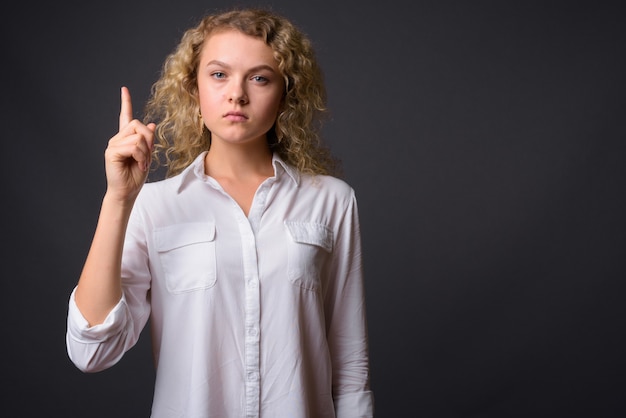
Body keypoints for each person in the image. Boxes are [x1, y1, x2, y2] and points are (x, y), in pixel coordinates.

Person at [65, 7, 374, 418]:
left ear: (286, 94)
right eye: (219, 74)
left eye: (260, 78)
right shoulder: (154, 206)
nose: (237, 94)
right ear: (194, 89)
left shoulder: (332, 202)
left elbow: (351, 371)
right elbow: (92, 351)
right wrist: (118, 200)